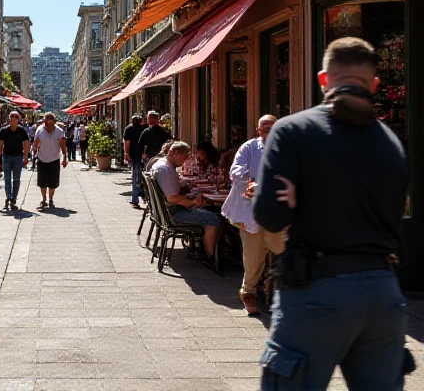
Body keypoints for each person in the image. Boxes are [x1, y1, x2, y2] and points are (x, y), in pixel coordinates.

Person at [253, 38, 412, 390]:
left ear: (323, 79)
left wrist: (303, 194)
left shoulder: (293, 131)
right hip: (383, 293)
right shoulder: (392, 144)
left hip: (316, 289)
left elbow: (269, 215)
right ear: (374, 85)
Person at [221, 115, 282, 315]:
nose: (268, 131)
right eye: (264, 129)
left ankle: (275, 294)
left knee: (280, 252)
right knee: (253, 256)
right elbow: (236, 171)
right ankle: (248, 292)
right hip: (252, 210)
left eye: (272, 127)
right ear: (258, 131)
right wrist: (250, 182)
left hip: (279, 211)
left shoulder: (287, 147)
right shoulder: (249, 148)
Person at [150, 141, 221, 261]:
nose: (187, 158)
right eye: (185, 154)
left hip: (164, 212)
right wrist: (193, 202)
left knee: (205, 209)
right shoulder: (166, 170)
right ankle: (209, 256)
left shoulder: (162, 165)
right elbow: (172, 198)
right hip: (173, 214)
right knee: (213, 219)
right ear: (173, 153)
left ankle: (200, 246)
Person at [0, 111, 30, 211]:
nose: (13, 118)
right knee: (7, 179)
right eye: (12, 117)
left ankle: (13, 199)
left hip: (18, 157)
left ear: (18, 119)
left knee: (16, 180)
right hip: (6, 157)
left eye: (16, 117)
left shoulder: (21, 131)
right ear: (9, 119)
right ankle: (9, 197)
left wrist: (26, 157)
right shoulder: (4, 131)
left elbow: (26, 144)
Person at [32, 113, 67, 210]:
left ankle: (51, 199)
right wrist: (34, 153)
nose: (50, 122)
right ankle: (44, 200)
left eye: (51, 120)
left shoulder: (59, 132)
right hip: (42, 159)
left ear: (54, 121)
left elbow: (63, 146)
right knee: (42, 182)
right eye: (48, 120)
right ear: (45, 121)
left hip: (54, 160)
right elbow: (35, 144)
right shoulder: (40, 130)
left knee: (53, 182)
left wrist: (64, 158)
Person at [123, 115, 146, 209]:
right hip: (144, 156)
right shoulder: (144, 128)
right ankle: (144, 196)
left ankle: (135, 200)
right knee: (145, 177)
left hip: (135, 155)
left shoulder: (128, 129)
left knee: (136, 177)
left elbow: (126, 142)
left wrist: (126, 153)